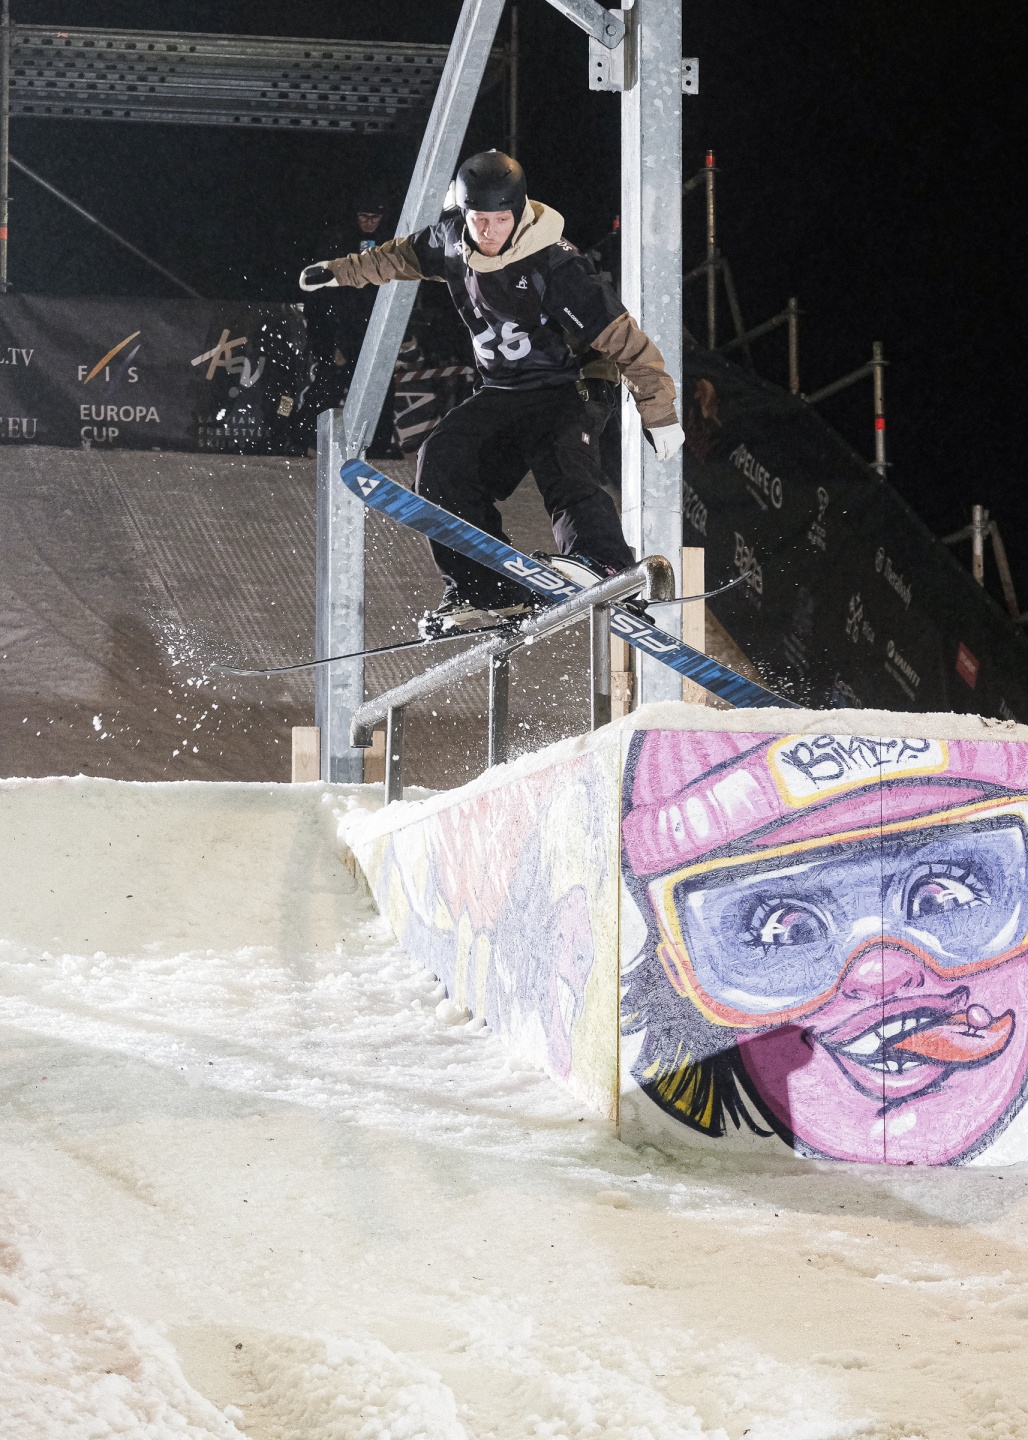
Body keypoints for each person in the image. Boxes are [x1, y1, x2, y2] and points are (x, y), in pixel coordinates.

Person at [300, 150, 684, 632]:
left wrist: (659, 412)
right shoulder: (449, 240)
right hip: (504, 389)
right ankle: (484, 587)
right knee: (442, 462)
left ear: (518, 212)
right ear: (463, 213)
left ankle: (604, 564)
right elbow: (397, 257)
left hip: (569, 383)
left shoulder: (556, 264)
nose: (489, 231)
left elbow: (626, 340)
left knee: (563, 461)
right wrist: (341, 271)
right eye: (479, 219)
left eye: (501, 220)